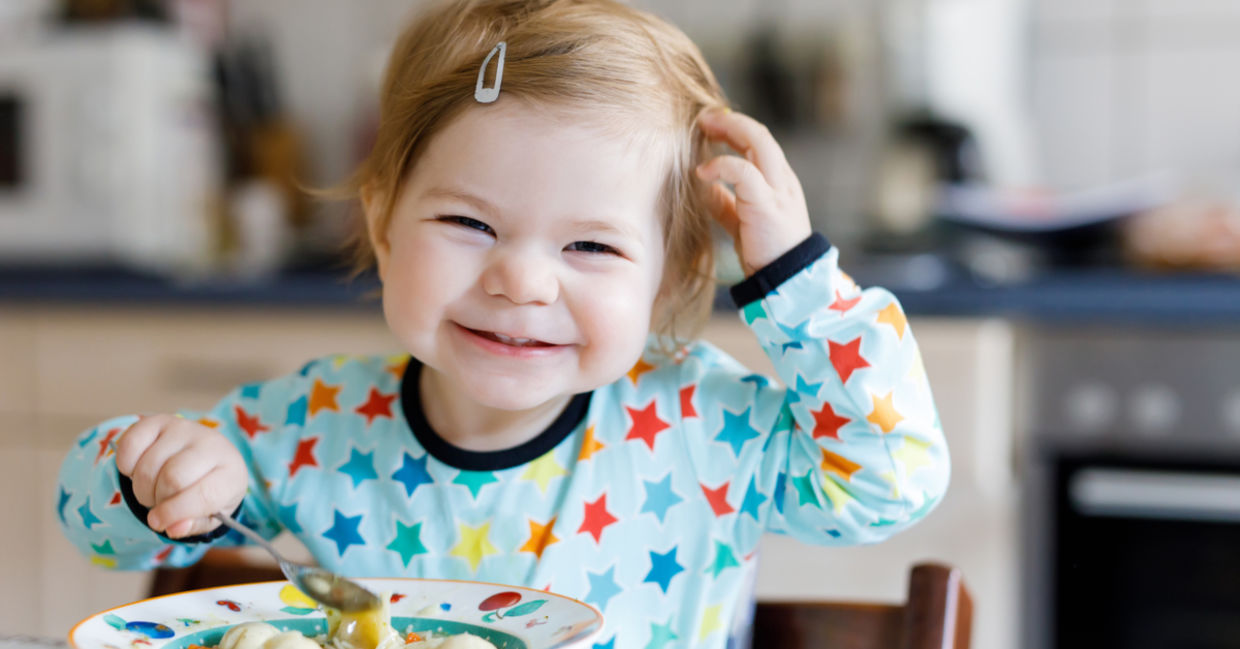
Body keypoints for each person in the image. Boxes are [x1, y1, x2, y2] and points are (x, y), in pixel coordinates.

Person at [57, 1, 950, 648]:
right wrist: (152, 477)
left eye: (591, 245)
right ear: (383, 223)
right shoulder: (312, 424)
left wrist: (799, 287)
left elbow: (893, 481)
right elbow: (90, 524)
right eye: (469, 223)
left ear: (672, 276)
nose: (521, 281)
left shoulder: (706, 426)